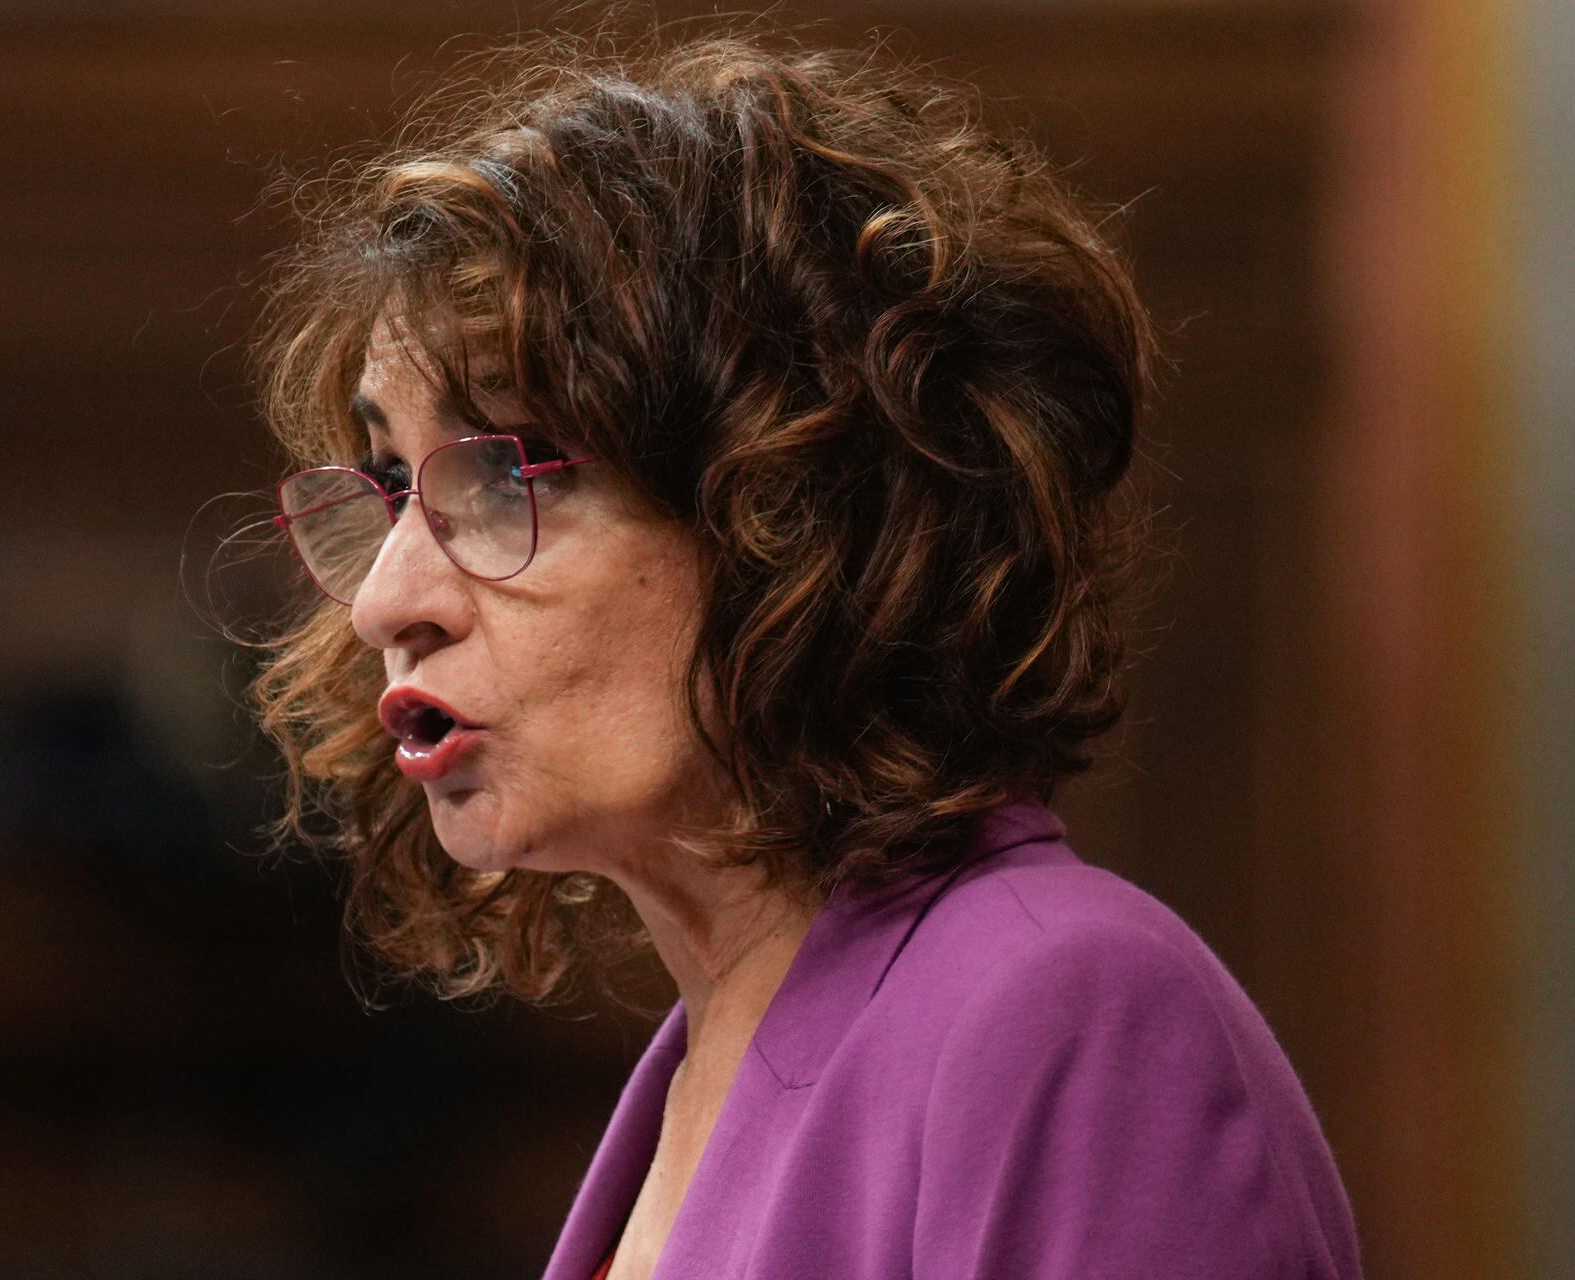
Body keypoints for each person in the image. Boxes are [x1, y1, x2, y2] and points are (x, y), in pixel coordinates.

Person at [248, 26, 1363, 1280]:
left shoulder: (1069, 1010)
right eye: (394, 484)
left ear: (788, 513)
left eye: (503, 475)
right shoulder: (699, 1070)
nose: (385, 598)